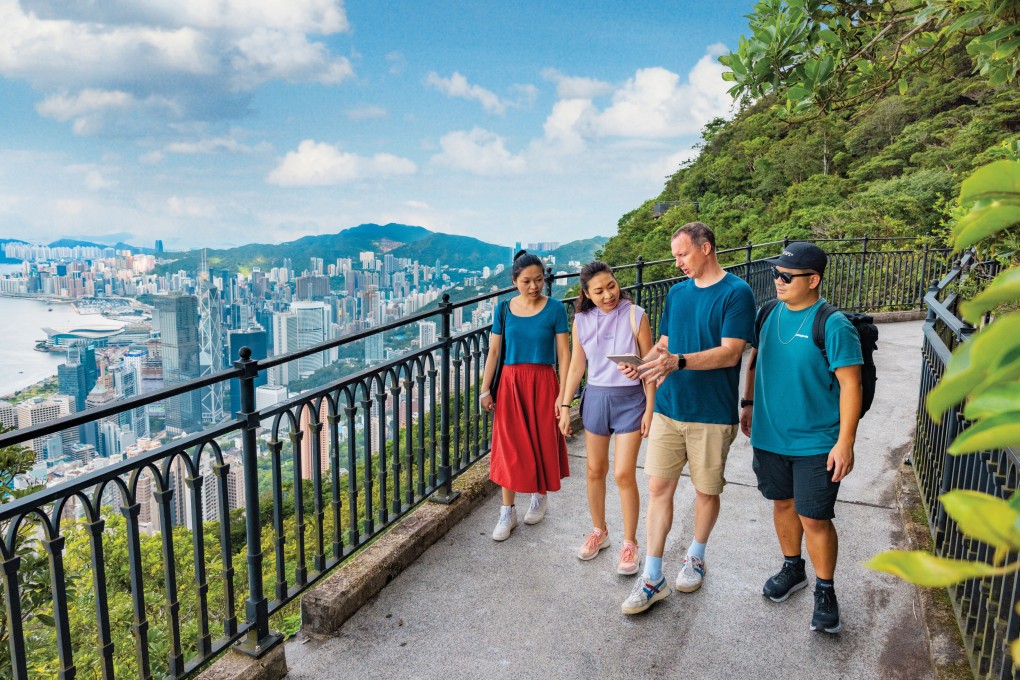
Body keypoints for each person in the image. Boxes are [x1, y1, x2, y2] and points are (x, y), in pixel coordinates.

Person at [619, 222, 756, 615]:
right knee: (658, 489)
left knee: (706, 491)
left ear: (706, 248)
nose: (677, 262)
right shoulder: (677, 293)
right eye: (675, 255)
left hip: (711, 412)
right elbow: (664, 344)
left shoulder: (737, 293)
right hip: (668, 408)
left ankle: (696, 555)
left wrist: (678, 362)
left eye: (682, 254)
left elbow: (731, 352)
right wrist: (642, 365)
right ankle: (652, 577)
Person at [740, 242, 863, 634]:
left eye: (787, 276)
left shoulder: (833, 324)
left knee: (815, 517)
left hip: (816, 441)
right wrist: (747, 402)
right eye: (776, 273)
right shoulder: (767, 313)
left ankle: (825, 590)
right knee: (782, 503)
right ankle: (793, 568)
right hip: (770, 436)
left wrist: (845, 442)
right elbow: (756, 358)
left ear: (813, 280)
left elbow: (851, 385)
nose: (778, 281)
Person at [559, 261, 655, 575]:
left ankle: (630, 543)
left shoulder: (635, 315)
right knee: (594, 470)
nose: (608, 295)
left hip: (630, 401)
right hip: (596, 398)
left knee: (624, 474)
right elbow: (577, 365)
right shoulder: (581, 320)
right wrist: (564, 406)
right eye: (598, 291)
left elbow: (650, 365)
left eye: (611, 286)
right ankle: (599, 531)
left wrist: (650, 409)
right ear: (586, 294)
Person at [480, 250, 570, 541]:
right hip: (510, 383)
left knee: (542, 441)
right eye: (527, 281)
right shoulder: (503, 309)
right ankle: (507, 511)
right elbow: (494, 351)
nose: (534, 286)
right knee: (509, 447)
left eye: (539, 280)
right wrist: (484, 389)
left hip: (544, 381)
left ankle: (539, 496)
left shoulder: (555, 308)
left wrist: (563, 396)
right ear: (514, 281)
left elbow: (564, 355)